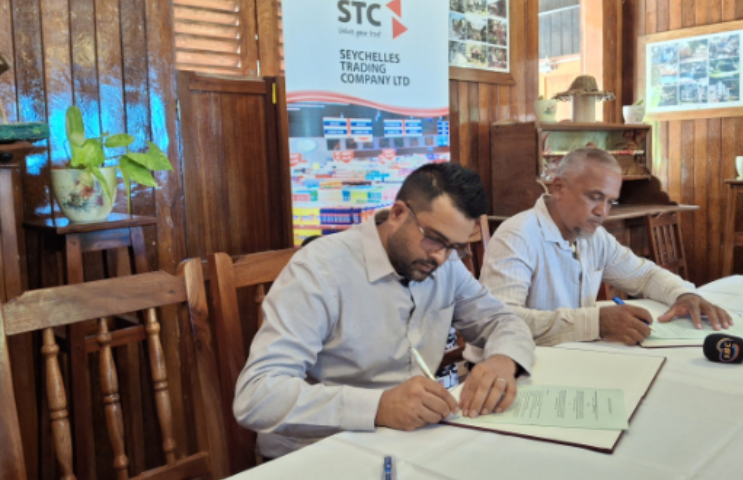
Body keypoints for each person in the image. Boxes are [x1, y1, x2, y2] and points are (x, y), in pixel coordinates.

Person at [234, 162, 535, 458]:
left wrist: (503, 360)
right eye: (434, 239)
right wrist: (379, 406)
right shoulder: (320, 270)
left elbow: (501, 320)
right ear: (398, 213)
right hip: (321, 450)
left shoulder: (445, 264)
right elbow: (258, 396)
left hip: (408, 443)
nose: (442, 258)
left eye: (455, 247)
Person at [474, 148, 732, 348]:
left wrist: (682, 295)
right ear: (559, 188)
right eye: (595, 197)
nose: (603, 212)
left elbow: (645, 275)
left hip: (570, 356)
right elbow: (499, 321)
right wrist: (595, 323)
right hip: (513, 367)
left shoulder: (594, 237)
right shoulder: (518, 235)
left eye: (610, 202)